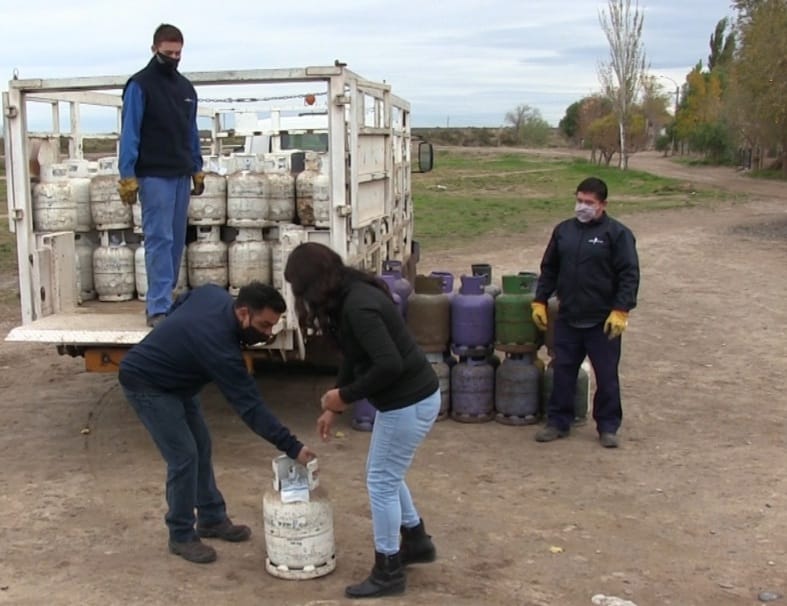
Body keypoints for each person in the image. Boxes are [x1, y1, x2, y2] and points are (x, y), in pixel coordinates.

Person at [118, 282, 315, 564]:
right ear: (244, 313)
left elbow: (181, 302)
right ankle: (181, 534)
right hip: (146, 383)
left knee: (202, 445)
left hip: (179, 383)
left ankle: (211, 518)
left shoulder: (213, 294)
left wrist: (178, 340)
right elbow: (250, 407)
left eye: (272, 326)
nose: (268, 333)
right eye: (263, 325)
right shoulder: (220, 346)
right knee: (184, 456)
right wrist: (292, 446)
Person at [284, 243, 440, 599]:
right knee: (385, 472)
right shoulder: (347, 295)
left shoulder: (359, 306)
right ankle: (415, 540)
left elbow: (389, 365)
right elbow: (356, 356)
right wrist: (334, 405)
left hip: (408, 403)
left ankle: (388, 571)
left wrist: (345, 396)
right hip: (409, 400)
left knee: (381, 481)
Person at [531, 177, 640, 449]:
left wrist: (621, 309)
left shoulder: (617, 234)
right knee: (563, 371)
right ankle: (558, 422)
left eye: (589, 203)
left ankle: (608, 426)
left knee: (606, 376)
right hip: (568, 317)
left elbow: (629, 274)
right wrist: (540, 300)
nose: (582, 207)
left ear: (603, 205)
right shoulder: (563, 231)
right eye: (579, 200)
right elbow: (550, 269)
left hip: (603, 321)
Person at [118, 23, 205, 327]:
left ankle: (167, 297)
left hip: (180, 172)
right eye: (168, 53)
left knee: (178, 239)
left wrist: (197, 166)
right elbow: (129, 132)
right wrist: (127, 173)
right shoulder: (139, 86)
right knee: (159, 238)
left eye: (178, 53)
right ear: (154, 49)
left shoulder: (186, 89)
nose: (173, 58)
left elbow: (191, 130)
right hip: (154, 174)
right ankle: (157, 306)